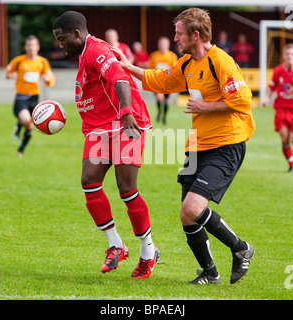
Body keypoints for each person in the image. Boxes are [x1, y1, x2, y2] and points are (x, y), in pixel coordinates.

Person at [113, 7, 255, 285]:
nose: (174, 38)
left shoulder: (221, 62)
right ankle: (210, 274)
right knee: (187, 216)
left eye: (178, 34)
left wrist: (205, 106)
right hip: (197, 144)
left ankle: (241, 248)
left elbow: (243, 102)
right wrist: (128, 67)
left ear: (195, 35)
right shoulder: (188, 63)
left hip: (226, 144)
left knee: (192, 208)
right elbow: (163, 81)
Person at [53, 11, 159, 279]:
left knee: (126, 188)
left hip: (125, 122)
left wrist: (126, 113)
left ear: (77, 34)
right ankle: (116, 245)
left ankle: (148, 251)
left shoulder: (96, 50)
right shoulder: (84, 55)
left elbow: (121, 79)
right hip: (99, 129)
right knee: (89, 180)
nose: (59, 44)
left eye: (62, 38)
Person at [5, 35, 55, 157]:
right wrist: (16, 75)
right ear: (25, 47)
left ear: (37, 47)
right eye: (29, 45)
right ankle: (19, 124)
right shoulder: (19, 61)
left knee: (30, 126)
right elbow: (8, 73)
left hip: (34, 97)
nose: (31, 47)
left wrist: (48, 80)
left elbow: (50, 77)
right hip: (21, 97)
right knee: (26, 120)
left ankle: (21, 149)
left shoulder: (42, 62)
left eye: (33, 45)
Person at [263, 43, 293, 172]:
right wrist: (267, 98)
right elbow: (272, 86)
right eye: (287, 54)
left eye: (292, 54)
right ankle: (291, 164)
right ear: (283, 56)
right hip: (281, 109)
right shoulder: (278, 71)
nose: (290, 56)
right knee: (285, 138)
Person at [149, 36, 178, 124]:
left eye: (164, 44)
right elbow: (151, 68)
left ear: (168, 45)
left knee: (165, 101)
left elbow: (174, 69)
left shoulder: (172, 56)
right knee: (158, 98)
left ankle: (164, 117)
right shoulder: (154, 56)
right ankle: (159, 112)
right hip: (157, 81)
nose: (162, 46)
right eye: (161, 44)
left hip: (167, 82)